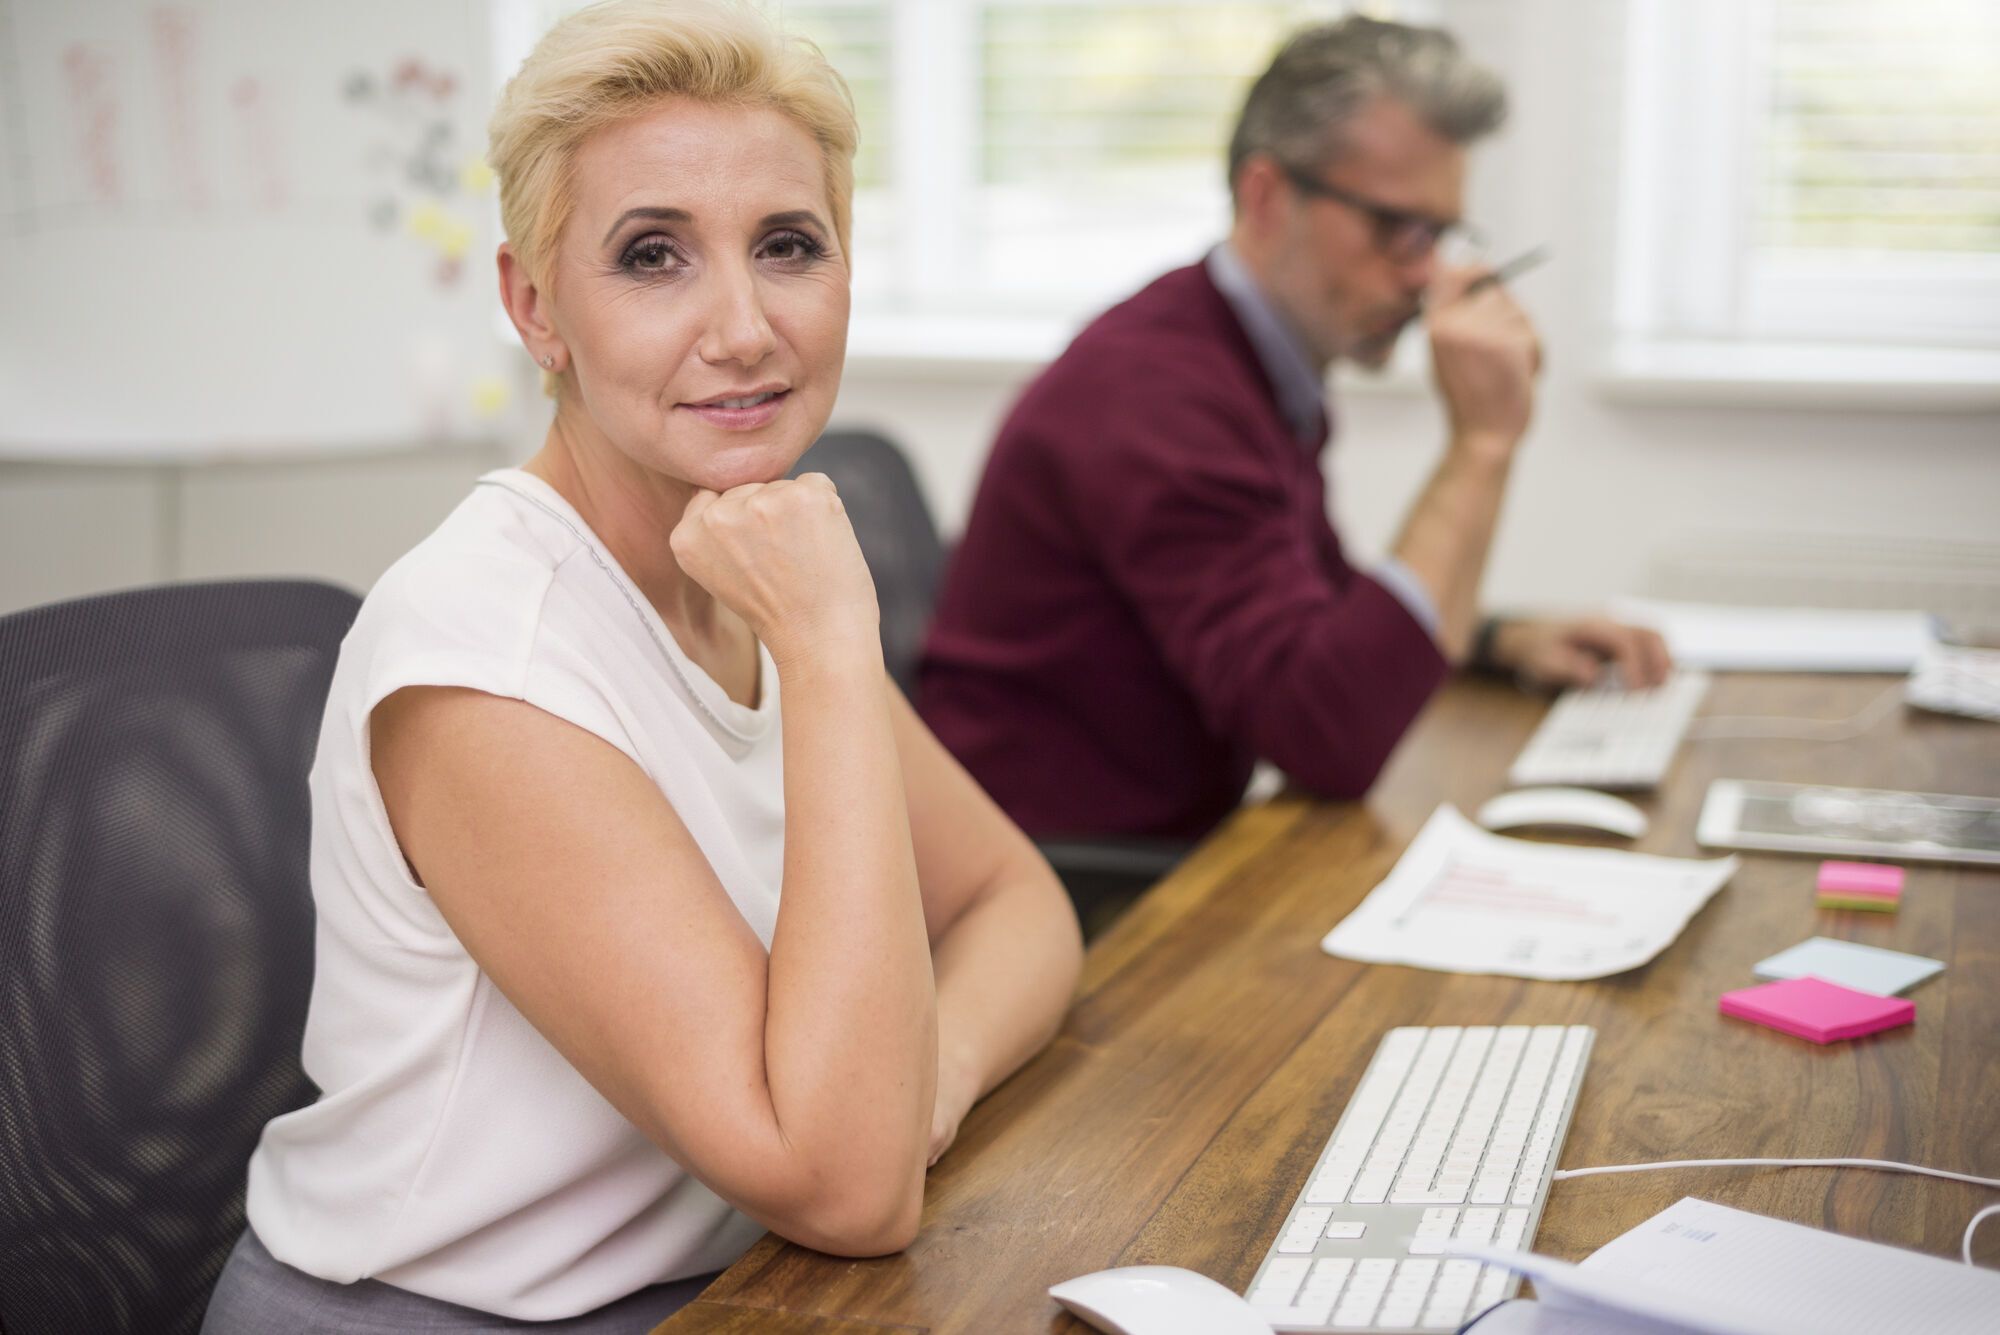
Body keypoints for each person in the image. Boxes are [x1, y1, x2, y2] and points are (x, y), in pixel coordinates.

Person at [202, 3, 1083, 1329]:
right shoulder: (488, 658)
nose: (743, 326)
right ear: (533, 304)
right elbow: (846, 1187)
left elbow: (1019, 899)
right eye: (652, 255)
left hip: (724, 1282)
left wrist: (927, 1079)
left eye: (789, 246)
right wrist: (835, 649)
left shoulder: (745, 561)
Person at [917, 16, 1671, 846]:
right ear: (1267, 196)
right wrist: (1481, 445)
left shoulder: (1239, 351)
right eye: (1399, 230)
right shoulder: (1158, 399)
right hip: (1064, 884)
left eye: (1442, 236)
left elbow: (1307, 598)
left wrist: (1498, 637)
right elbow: (1328, 734)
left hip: (1158, 853)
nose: (1428, 275)